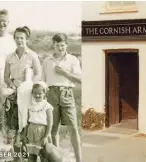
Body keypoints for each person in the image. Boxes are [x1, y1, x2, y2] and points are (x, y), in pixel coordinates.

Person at [42, 33, 82, 162]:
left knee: (74, 128)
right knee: (53, 129)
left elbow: (80, 79)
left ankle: (79, 159)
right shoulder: (47, 61)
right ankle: (57, 159)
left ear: (66, 45)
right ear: (53, 45)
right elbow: (42, 81)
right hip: (51, 94)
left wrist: (65, 73)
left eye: (62, 45)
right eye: (57, 45)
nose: (60, 47)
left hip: (66, 94)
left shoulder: (72, 60)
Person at [3, 26, 42, 161]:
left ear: (27, 39)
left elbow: (38, 74)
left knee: (26, 126)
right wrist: (12, 83)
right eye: (17, 37)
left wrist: (28, 85)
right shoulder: (9, 57)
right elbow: (6, 77)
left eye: (22, 38)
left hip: (27, 95)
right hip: (13, 95)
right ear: (14, 39)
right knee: (13, 126)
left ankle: (28, 156)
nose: (19, 40)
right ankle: (17, 157)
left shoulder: (32, 55)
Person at [25, 82, 53, 162]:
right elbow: (28, 121)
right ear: (32, 93)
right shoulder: (30, 105)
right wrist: (25, 134)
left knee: (43, 155)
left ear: (44, 93)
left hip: (42, 132)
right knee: (31, 155)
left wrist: (46, 136)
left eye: (40, 93)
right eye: (35, 93)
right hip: (31, 131)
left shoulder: (47, 106)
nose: (37, 95)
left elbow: (50, 123)